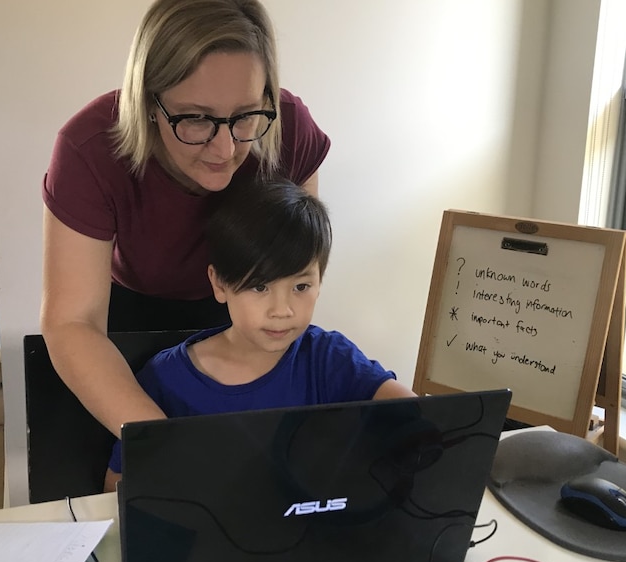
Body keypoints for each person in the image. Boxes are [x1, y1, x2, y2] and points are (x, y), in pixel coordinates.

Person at [40, 0, 331, 440]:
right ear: (149, 103)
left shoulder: (288, 128)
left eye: (246, 115)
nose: (225, 150)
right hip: (132, 323)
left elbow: (295, 270)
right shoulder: (91, 150)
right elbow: (72, 323)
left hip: (248, 319)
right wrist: (165, 447)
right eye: (196, 119)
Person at [104, 180, 414, 490]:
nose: (282, 310)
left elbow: (415, 416)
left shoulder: (329, 357)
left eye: (301, 287)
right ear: (220, 284)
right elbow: (117, 486)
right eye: (260, 286)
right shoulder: (165, 378)